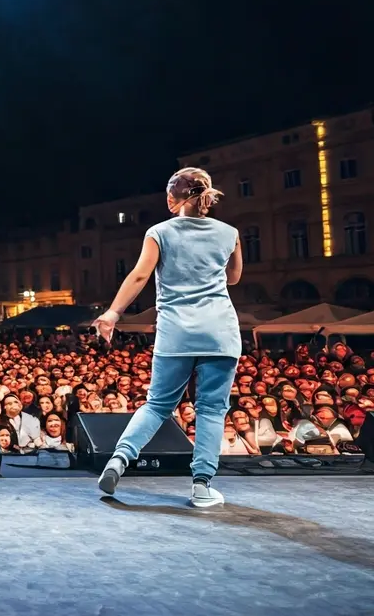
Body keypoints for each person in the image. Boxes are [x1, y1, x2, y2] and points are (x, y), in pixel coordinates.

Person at [92, 167, 242, 508]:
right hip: (220, 332)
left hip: (176, 333)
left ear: (174, 198)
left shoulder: (159, 232)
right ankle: (202, 486)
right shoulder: (229, 233)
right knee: (211, 410)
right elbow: (233, 278)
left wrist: (112, 313)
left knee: (158, 405)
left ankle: (119, 459)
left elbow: (140, 275)